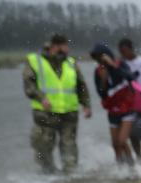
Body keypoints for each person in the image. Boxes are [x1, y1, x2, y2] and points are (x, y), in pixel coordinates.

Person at [23, 33, 91, 174]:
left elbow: (81, 85)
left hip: (69, 112)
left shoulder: (71, 63)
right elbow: (29, 85)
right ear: (55, 46)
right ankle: (47, 173)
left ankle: (70, 175)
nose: (67, 50)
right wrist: (41, 98)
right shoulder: (35, 61)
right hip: (45, 112)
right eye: (64, 47)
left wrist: (86, 104)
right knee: (43, 144)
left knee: (69, 145)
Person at [90, 43, 136, 167]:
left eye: (101, 57)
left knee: (122, 141)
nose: (100, 61)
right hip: (113, 111)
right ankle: (120, 169)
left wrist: (112, 66)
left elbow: (130, 77)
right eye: (97, 59)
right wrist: (103, 81)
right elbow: (102, 95)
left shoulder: (120, 64)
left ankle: (132, 167)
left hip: (128, 108)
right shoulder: (98, 71)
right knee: (115, 144)